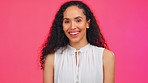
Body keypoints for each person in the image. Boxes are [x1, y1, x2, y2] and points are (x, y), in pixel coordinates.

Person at [40, 1, 115, 83]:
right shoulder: (51, 58)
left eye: (78, 20)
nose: (72, 27)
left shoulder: (105, 56)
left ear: (87, 23)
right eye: (67, 21)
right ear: (62, 25)